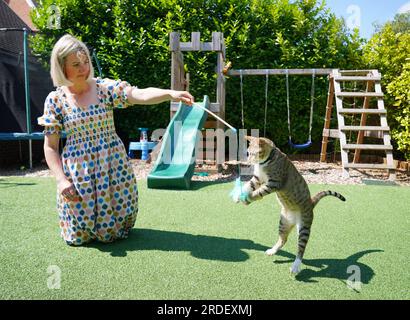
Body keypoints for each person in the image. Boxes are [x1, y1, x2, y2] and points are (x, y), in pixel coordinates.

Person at [38, 34, 194, 246]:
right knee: (80, 234)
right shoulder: (55, 100)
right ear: (60, 67)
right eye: (75, 64)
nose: (83, 68)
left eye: (85, 62)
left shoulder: (104, 89)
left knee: (115, 230)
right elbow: (50, 147)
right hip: (79, 169)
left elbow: (139, 95)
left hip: (112, 164)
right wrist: (61, 179)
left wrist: (170, 93)